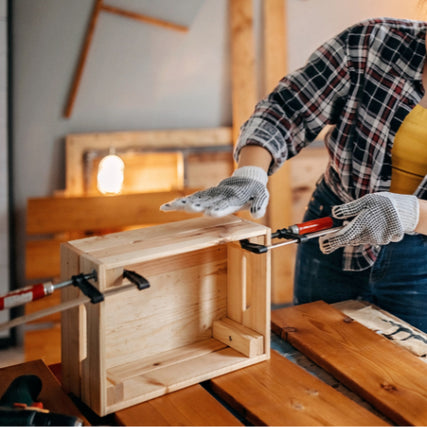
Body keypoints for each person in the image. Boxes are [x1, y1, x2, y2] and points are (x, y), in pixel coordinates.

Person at [161, 17, 427, 333]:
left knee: (409, 369)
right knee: (315, 343)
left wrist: (410, 212)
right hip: (333, 223)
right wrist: (250, 171)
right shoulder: (372, 41)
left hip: (419, 251)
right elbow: (287, 109)